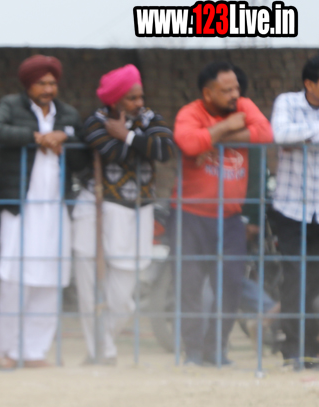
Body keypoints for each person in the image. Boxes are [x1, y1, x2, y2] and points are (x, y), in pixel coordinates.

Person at [0, 55, 84, 369]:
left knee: (51, 278)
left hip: (56, 207)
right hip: (20, 206)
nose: (48, 89)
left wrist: (64, 136)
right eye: (41, 83)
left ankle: (35, 352)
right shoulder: (11, 106)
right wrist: (35, 137)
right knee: (15, 276)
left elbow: (84, 141)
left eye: (52, 83)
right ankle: (8, 352)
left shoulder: (67, 114)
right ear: (28, 85)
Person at [73, 65, 176, 365]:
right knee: (88, 289)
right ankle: (101, 353)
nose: (139, 103)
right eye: (131, 98)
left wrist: (127, 135)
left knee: (123, 298)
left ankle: (102, 346)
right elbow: (114, 154)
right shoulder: (95, 122)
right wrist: (140, 143)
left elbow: (165, 151)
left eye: (140, 96)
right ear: (115, 100)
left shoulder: (151, 118)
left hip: (138, 212)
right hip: (97, 209)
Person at [173, 60, 273, 366]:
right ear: (208, 93)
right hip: (190, 215)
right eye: (226, 90)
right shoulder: (190, 113)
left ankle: (216, 351)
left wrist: (216, 138)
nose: (234, 95)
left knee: (230, 285)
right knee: (189, 286)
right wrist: (227, 126)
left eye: (236, 88)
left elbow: (265, 133)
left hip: (230, 218)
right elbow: (188, 142)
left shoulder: (243, 106)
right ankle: (192, 353)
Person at [270, 54, 319, 368]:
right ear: (309, 84)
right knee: (295, 278)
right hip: (290, 210)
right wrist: (312, 133)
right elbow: (278, 134)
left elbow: (292, 134)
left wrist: (303, 135)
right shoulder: (287, 102)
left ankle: (310, 348)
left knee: (313, 282)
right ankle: (292, 349)